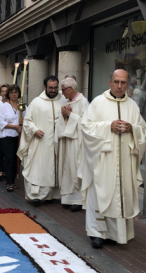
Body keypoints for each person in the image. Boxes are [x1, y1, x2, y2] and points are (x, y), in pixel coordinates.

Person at [80, 69, 146, 249]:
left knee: (121, 194)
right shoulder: (98, 103)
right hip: (103, 158)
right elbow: (85, 127)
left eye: (123, 83)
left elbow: (143, 129)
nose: (119, 86)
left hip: (124, 159)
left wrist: (132, 128)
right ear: (110, 82)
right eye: (116, 82)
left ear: (127, 84)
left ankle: (118, 234)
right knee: (100, 194)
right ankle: (97, 233)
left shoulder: (132, 105)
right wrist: (108, 126)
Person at [18, 76, 66, 204]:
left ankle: (56, 194)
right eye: (50, 87)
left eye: (55, 87)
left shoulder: (63, 101)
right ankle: (37, 195)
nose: (53, 90)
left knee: (57, 166)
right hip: (41, 142)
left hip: (58, 142)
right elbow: (27, 121)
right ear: (44, 87)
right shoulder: (36, 102)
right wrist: (34, 130)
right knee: (40, 168)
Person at [57, 77, 88, 212]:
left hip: (78, 142)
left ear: (70, 89)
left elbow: (86, 124)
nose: (62, 93)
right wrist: (64, 116)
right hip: (68, 140)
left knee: (76, 168)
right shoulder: (68, 101)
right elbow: (62, 121)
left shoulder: (83, 102)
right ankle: (68, 198)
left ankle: (79, 200)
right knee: (67, 168)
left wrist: (70, 115)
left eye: (63, 90)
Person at [0, 85, 23, 192]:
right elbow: (1, 122)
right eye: (11, 92)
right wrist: (14, 126)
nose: (13, 94)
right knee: (9, 158)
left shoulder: (22, 106)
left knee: (18, 159)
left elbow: (29, 118)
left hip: (19, 137)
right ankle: (9, 182)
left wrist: (23, 121)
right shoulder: (4, 106)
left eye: (15, 92)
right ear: (8, 94)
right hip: (8, 136)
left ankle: (13, 180)